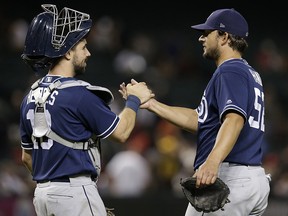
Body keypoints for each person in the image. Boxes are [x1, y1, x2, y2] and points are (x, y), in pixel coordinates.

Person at [120, 8, 270, 216]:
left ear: (224, 37)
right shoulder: (248, 73)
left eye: (207, 33)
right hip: (252, 179)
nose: (201, 38)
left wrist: (212, 161)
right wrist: (152, 104)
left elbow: (234, 119)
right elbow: (200, 120)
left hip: (231, 176)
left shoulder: (230, 70)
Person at [19, 4, 154, 216]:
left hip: (43, 196)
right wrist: (134, 100)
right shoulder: (79, 94)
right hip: (75, 193)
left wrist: (54, 186)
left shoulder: (29, 97)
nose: (88, 53)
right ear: (66, 52)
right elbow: (122, 133)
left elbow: (27, 158)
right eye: (83, 46)